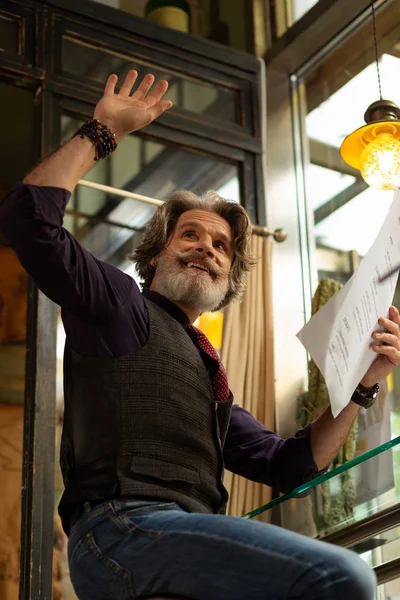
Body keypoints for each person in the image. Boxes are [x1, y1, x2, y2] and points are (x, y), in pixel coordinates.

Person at [1, 70, 398, 600]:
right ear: (157, 254)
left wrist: (362, 384)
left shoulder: (209, 379)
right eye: (189, 234)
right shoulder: (120, 302)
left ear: (229, 276)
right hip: (121, 531)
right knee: (340, 576)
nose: (207, 248)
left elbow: (291, 465)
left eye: (221, 246)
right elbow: (29, 221)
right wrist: (102, 131)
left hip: (175, 538)